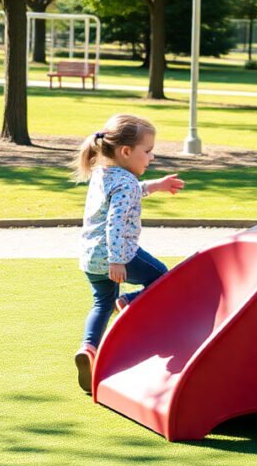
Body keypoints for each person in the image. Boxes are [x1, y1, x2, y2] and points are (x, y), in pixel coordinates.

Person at [72, 114, 185, 393]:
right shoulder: (127, 182)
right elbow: (116, 221)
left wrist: (155, 185)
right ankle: (128, 301)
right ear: (125, 152)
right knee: (162, 278)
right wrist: (118, 260)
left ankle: (89, 349)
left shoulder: (103, 173)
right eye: (147, 152)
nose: (152, 157)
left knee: (101, 303)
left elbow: (127, 193)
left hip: (90, 257)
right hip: (117, 254)